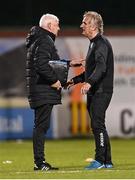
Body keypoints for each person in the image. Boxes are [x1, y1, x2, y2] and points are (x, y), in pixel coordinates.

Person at [26, 13, 82, 171]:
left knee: (41, 126)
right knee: (41, 126)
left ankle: (39, 162)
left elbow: (51, 63)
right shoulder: (45, 40)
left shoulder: (40, 38)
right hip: (43, 89)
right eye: (57, 24)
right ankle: (39, 163)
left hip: (39, 89)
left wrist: (69, 63)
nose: (59, 27)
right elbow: (42, 65)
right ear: (49, 26)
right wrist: (54, 81)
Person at [67, 11, 114, 170]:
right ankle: (107, 161)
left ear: (93, 26)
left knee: (97, 124)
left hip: (101, 90)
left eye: (85, 23)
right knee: (99, 125)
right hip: (96, 90)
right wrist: (73, 81)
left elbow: (101, 68)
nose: (82, 25)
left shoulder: (100, 43)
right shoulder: (94, 43)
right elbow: (90, 71)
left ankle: (99, 160)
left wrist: (89, 83)